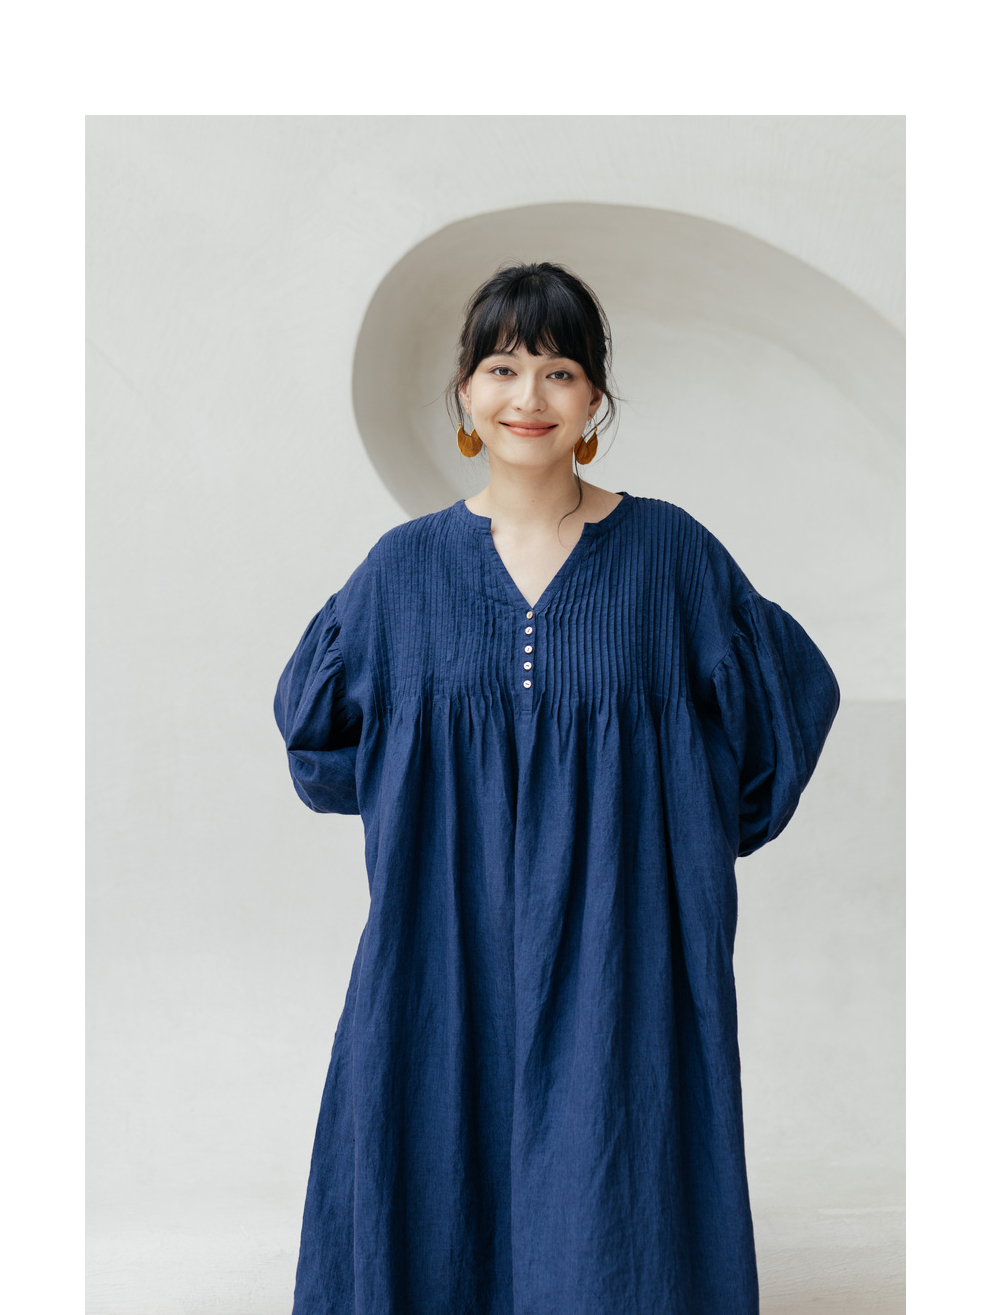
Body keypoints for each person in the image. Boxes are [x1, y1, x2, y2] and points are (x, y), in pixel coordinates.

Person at [274, 261, 841, 1315]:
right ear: (464, 392)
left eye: (558, 370)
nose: (527, 396)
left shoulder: (672, 558)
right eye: (502, 367)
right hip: (441, 945)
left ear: (594, 401)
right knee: (437, 1157)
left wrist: (675, 843)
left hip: (626, 948)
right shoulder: (400, 574)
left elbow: (783, 709)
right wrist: (433, 811)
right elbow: (317, 741)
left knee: (612, 1184)